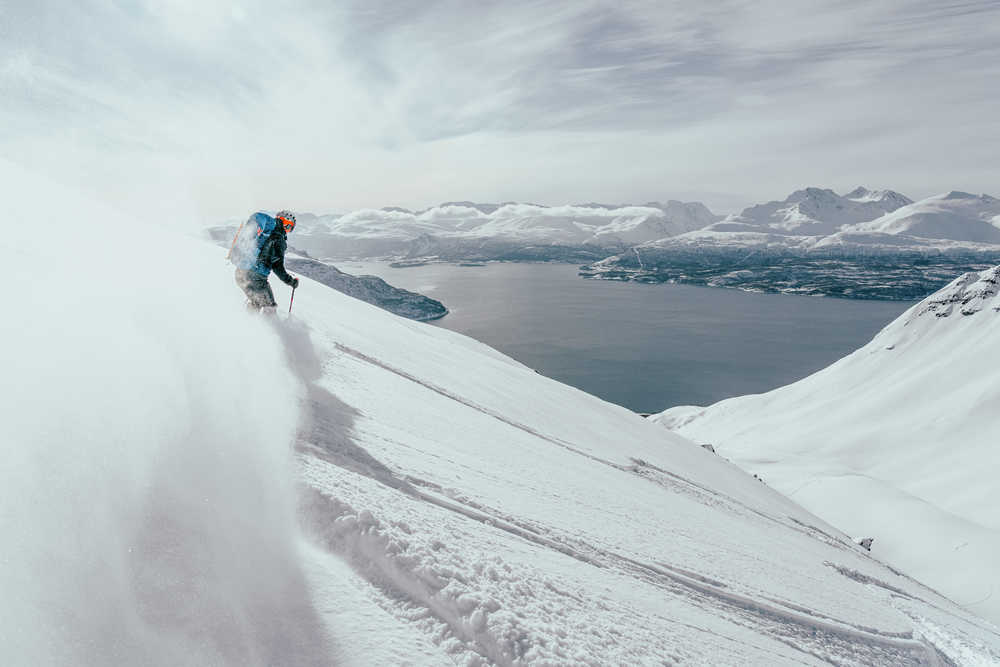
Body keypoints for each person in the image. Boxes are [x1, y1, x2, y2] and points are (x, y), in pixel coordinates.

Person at [233, 210, 300, 312]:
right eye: (290, 227)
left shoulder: (266, 231)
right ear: (286, 223)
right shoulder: (278, 239)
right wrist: (291, 281)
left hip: (240, 273)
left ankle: (246, 324)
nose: (288, 230)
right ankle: (270, 326)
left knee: (256, 303)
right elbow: (278, 267)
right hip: (256, 279)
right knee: (270, 307)